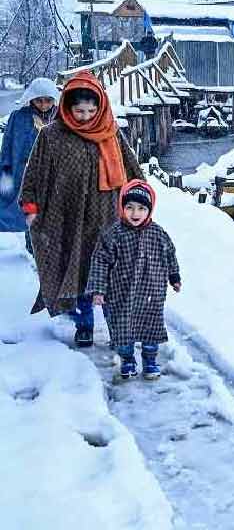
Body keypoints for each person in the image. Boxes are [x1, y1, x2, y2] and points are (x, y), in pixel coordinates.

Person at [19, 71, 144, 348]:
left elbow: (133, 172)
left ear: (100, 107)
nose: (85, 117)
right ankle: (84, 325)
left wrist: (141, 202)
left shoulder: (111, 133)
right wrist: (30, 206)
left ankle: (119, 328)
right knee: (78, 275)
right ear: (67, 107)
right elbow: (33, 175)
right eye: (79, 111)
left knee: (113, 275)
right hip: (68, 218)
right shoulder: (52, 136)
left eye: (90, 111)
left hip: (108, 218)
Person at [87, 180, 181, 380]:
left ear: (149, 210)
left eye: (141, 208)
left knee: (151, 329)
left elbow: (170, 255)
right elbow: (100, 261)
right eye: (129, 207)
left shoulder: (158, 233)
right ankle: (127, 359)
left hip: (151, 294)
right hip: (121, 294)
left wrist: (174, 277)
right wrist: (98, 290)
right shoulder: (113, 234)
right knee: (123, 330)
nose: (135, 213)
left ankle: (150, 361)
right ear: (122, 208)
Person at [0, 78, 59, 236]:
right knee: (24, 207)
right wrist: (5, 169)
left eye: (48, 100)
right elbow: (7, 145)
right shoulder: (18, 117)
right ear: (31, 98)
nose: (44, 105)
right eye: (39, 100)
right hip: (23, 171)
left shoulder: (60, 117)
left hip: (52, 172)